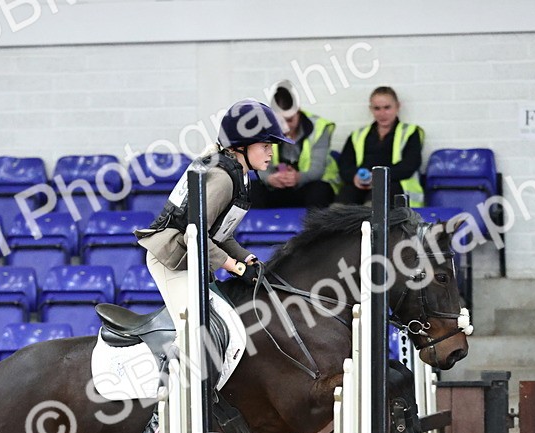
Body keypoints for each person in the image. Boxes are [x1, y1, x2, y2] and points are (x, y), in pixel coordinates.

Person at [136, 99, 292, 323]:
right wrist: (236, 268)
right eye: (265, 146)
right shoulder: (222, 179)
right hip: (170, 259)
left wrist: (247, 258)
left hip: (192, 256)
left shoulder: (240, 177)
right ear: (241, 146)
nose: (271, 153)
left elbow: (220, 235)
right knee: (193, 327)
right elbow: (195, 236)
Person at [250, 80, 337, 209]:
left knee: (320, 190)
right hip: (277, 187)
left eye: (290, 120)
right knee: (251, 189)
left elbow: (317, 169)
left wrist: (298, 178)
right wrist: (270, 179)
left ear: (298, 111)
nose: (286, 126)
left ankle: (314, 223)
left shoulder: (319, 127)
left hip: (307, 186)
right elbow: (259, 165)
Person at [337, 86, 425, 206]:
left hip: (393, 184)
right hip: (362, 185)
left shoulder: (410, 132)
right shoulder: (358, 135)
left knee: (375, 205)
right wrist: (355, 177)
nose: (382, 114)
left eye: (387, 107)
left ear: (397, 106)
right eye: (377, 108)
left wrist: (378, 177)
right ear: (371, 109)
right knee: (339, 207)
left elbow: (409, 165)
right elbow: (345, 165)